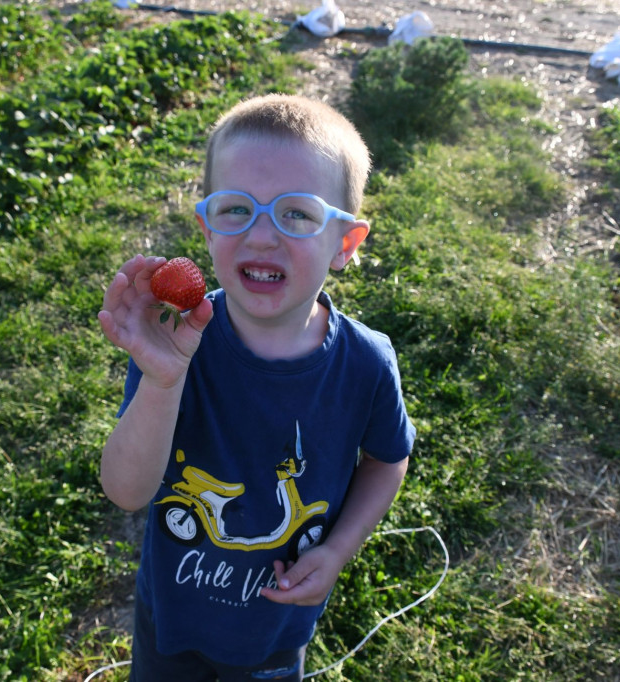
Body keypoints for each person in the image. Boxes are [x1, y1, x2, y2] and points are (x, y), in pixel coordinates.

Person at [97, 93, 416, 682]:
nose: (262, 236)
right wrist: (163, 380)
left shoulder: (365, 364)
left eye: (297, 213)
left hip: (275, 627)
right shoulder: (176, 344)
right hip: (171, 617)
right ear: (207, 227)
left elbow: (387, 460)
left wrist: (338, 550)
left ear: (344, 244)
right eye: (236, 209)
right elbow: (126, 490)